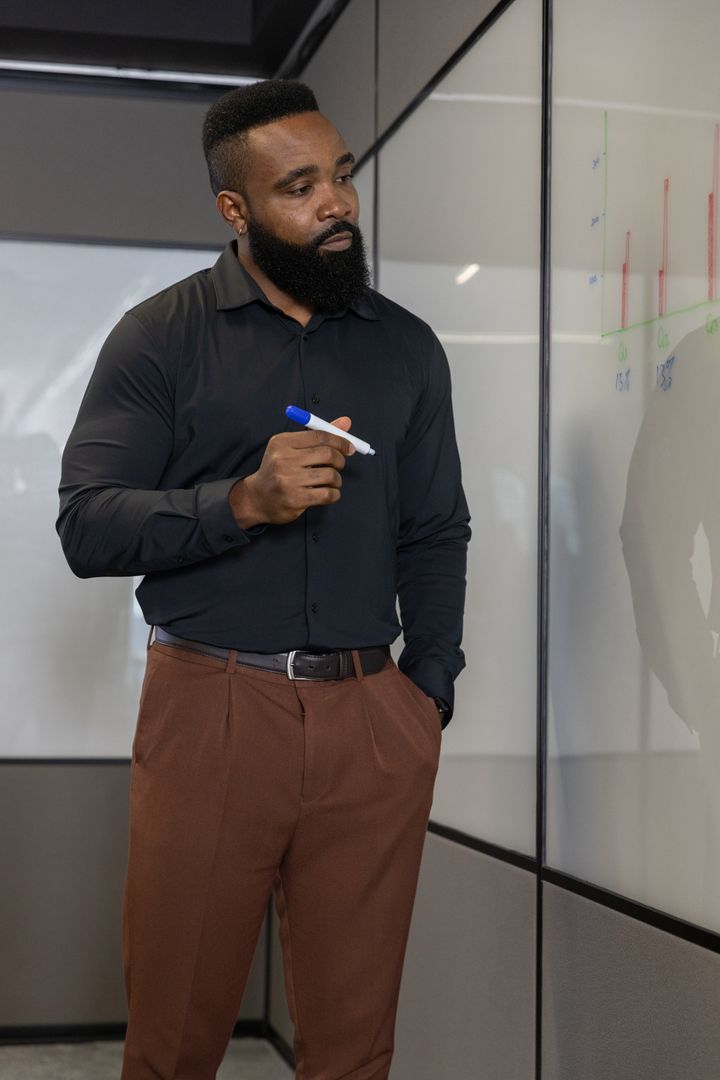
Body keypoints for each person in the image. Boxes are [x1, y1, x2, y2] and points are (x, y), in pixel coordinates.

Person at [56, 79, 470, 1080]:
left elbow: (437, 528)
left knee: (355, 1045)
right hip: (212, 708)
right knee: (175, 1040)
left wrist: (428, 692)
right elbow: (86, 523)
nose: (335, 202)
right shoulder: (160, 337)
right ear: (235, 210)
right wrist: (239, 502)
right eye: (299, 187)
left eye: (341, 176)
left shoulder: (406, 346)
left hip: (372, 718)